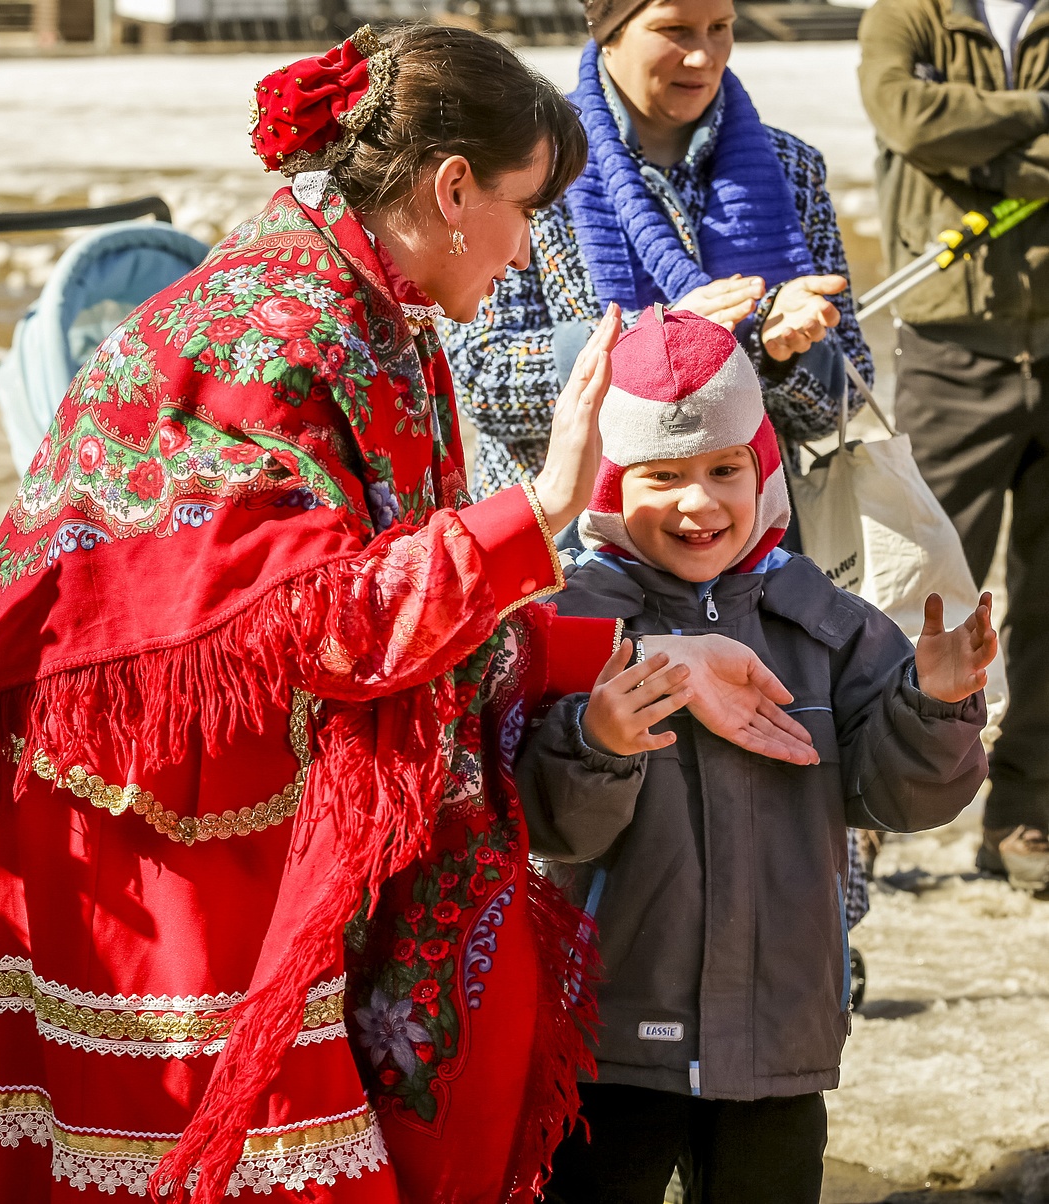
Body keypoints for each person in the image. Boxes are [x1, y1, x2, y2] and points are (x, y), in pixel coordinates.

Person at [0, 26, 822, 1204]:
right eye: (525, 206)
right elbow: (319, 626)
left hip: (219, 793)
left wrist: (648, 652)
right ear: (451, 192)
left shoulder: (376, 316)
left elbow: (410, 607)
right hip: (138, 821)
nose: (528, 245)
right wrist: (541, 509)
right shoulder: (279, 330)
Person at [515, 308, 995, 1204]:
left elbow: (894, 797)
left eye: (724, 470)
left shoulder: (822, 621)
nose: (699, 503)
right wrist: (597, 739)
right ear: (611, 486)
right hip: (608, 1038)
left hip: (781, 1035)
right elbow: (554, 828)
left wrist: (933, 705)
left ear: (763, 468)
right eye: (662, 477)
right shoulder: (569, 621)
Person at [444, 0, 874, 503]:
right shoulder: (533, 164)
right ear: (610, 33)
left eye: (720, 28)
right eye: (675, 30)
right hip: (572, 545)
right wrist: (651, 344)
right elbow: (480, 380)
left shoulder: (792, 168)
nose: (703, 56)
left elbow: (844, 395)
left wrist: (782, 353)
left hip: (742, 540)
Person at [859, 0, 1049, 894]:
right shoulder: (905, 16)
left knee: (1048, 607)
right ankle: (865, 801)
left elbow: (940, 134)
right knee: (914, 587)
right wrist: (1041, 114)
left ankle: (1022, 812)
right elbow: (906, 117)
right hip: (950, 351)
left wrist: (967, 144)